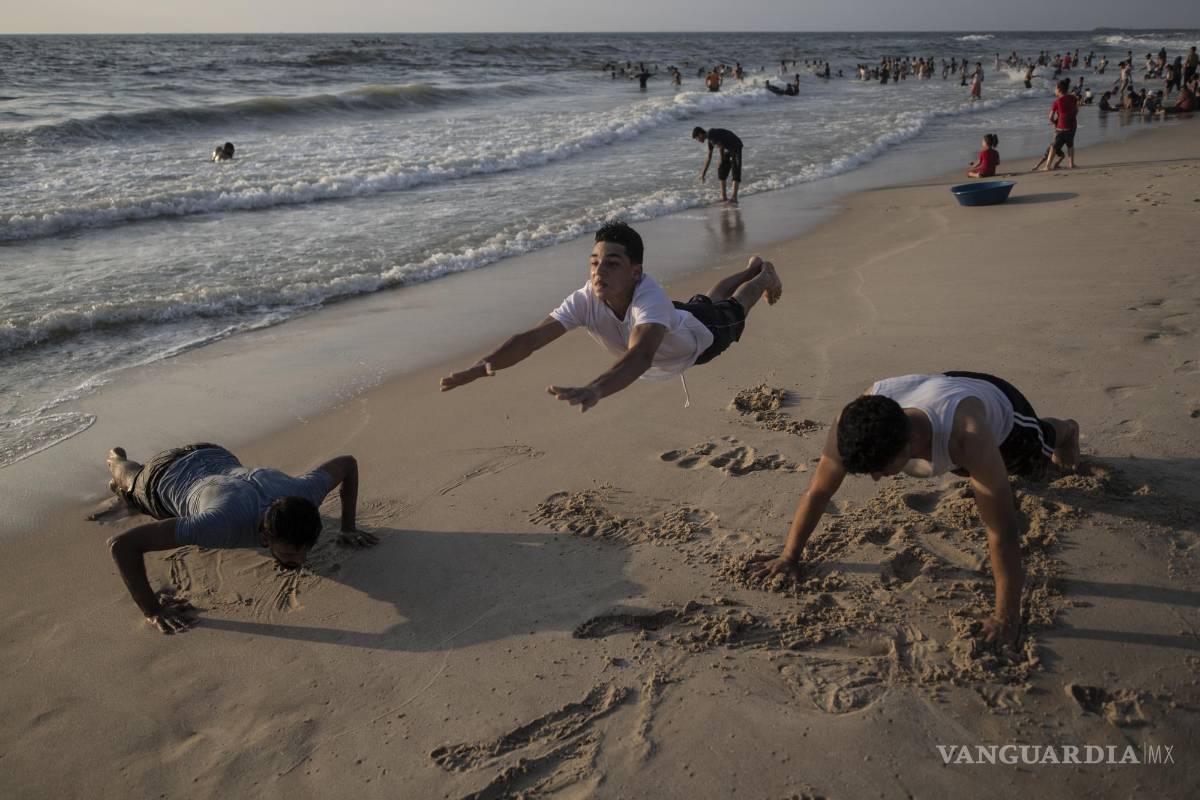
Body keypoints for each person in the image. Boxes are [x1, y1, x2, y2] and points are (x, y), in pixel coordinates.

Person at [748, 372, 1080, 647]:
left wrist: (1006, 618)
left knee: (1032, 465)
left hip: (1002, 411)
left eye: (880, 469)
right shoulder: (852, 423)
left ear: (909, 444)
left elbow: (1002, 531)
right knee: (973, 470)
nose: (875, 477)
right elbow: (818, 491)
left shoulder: (968, 436)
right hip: (939, 394)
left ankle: (1066, 429)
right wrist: (789, 556)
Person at [439, 221, 782, 413]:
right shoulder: (586, 298)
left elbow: (641, 355)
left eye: (612, 264)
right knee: (707, 300)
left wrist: (596, 389)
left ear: (636, 272)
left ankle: (764, 275)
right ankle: (749, 268)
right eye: (594, 262)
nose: (598, 272)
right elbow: (531, 339)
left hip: (702, 338)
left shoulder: (650, 299)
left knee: (734, 307)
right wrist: (483, 365)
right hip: (680, 316)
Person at [103, 444, 372, 634]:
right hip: (161, 476)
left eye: (304, 551)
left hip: (211, 452)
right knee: (130, 484)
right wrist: (152, 611)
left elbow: (347, 463)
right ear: (264, 536)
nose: (301, 561)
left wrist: (348, 528)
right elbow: (122, 545)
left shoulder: (307, 492)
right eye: (291, 554)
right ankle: (117, 460)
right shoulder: (219, 525)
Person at [692, 126, 743, 203]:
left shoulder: (711, 134)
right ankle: (723, 196)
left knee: (735, 171)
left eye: (697, 138)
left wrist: (721, 161)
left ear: (700, 134)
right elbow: (709, 157)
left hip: (736, 146)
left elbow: (721, 147)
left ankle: (734, 198)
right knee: (721, 171)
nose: (698, 140)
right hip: (728, 149)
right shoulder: (709, 140)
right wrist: (703, 174)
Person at [1037, 78, 1078, 171]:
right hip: (1072, 126)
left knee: (1054, 146)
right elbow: (1076, 111)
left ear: (1059, 89)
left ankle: (1047, 166)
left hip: (1061, 127)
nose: (1055, 90)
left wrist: (1055, 122)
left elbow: (1050, 117)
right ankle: (1071, 164)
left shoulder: (1057, 102)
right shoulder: (1073, 98)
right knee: (1070, 144)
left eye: (1055, 88)